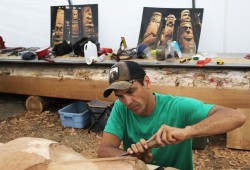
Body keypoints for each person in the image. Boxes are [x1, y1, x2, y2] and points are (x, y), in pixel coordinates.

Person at [97, 61, 246, 169]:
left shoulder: (177, 107)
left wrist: (186, 132)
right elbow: (104, 151)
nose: (127, 101)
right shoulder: (120, 108)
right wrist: (133, 156)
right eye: (120, 96)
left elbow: (236, 117)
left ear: (147, 82)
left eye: (130, 91)